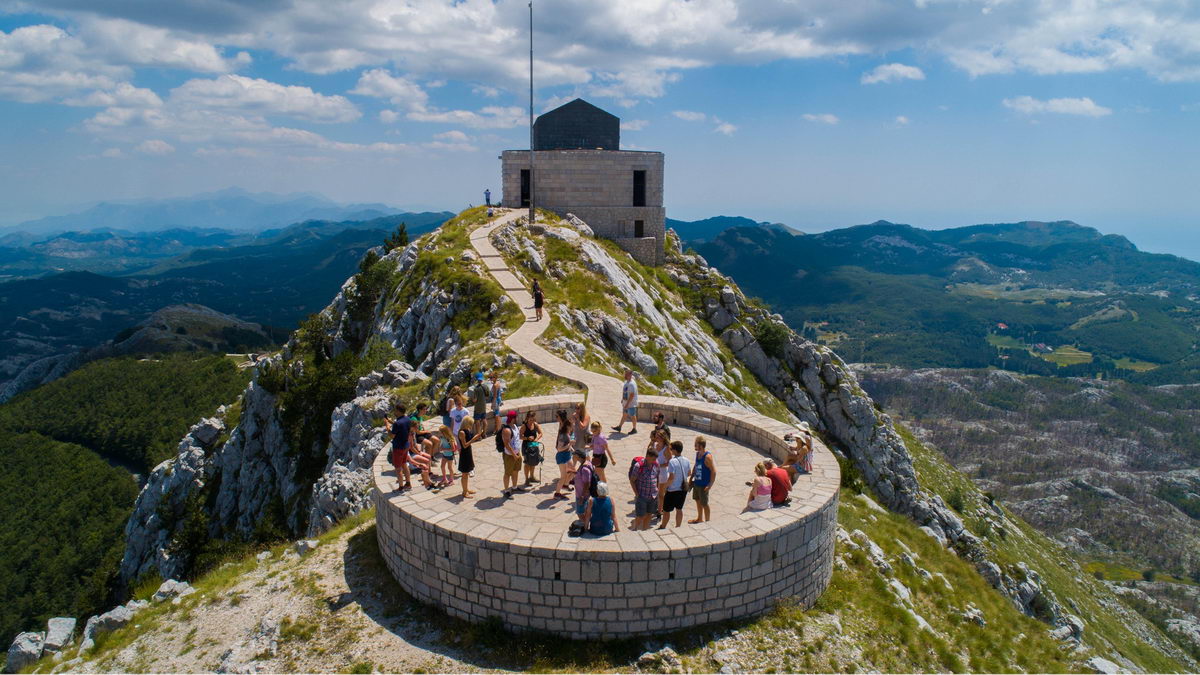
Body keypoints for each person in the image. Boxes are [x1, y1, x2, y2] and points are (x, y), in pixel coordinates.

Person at [658, 441, 691, 530]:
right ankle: (678, 526)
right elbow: (689, 473)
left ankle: (663, 526)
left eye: (671, 449)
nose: (670, 450)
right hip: (683, 489)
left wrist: (665, 487)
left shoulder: (672, 461)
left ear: (675, 450)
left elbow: (671, 478)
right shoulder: (687, 460)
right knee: (679, 509)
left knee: (666, 510)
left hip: (672, 490)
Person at [384, 402, 415, 490]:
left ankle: (401, 487)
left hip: (398, 447)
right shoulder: (408, 419)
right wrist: (391, 422)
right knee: (404, 464)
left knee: (398, 468)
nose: (394, 412)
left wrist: (387, 426)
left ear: (398, 411)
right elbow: (401, 426)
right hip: (406, 445)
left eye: (395, 410)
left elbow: (392, 435)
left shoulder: (397, 424)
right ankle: (408, 483)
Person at [689, 436, 716, 524]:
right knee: (697, 500)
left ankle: (708, 522)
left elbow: (713, 471)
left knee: (704, 503)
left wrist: (710, 485)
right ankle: (699, 518)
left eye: (696, 444)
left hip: (703, 484)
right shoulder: (698, 454)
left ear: (700, 445)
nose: (694, 445)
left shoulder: (707, 457)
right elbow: (696, 465)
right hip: (697, 482)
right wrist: (691, 478)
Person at [632, 448, 660, 530]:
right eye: (653, 459)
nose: (654, 461)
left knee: (649, 514)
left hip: (653, 496)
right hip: (642, 496)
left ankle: (645, 529)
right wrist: (636, 494)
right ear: (647, 456)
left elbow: (657, 478)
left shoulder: (656, 464)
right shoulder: (638, 466)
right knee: (640, 516)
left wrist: (657, 489)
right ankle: (635, 529)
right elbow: (632, 480)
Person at [457, 417, 481, 498]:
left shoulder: (467, 430)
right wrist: (474, 439)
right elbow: (464, 445)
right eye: (470, 423)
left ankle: (466, 489)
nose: (471, 425)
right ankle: (464, 492)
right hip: (464, 454)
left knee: (467, 473)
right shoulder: (462, 432)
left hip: (468, 452)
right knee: (464, 474)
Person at [499, 410, 522, 499]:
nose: (517, 418)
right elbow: (507, 445)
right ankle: (506, 491)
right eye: (516, 417)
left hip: (517, 453)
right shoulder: (507, 430)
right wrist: (514, 455)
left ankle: (514, 487)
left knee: (516, 471)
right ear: (513, 418)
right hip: (510, 455)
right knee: (508, 473)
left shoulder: (515, 426)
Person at [552, 409, 574, 500]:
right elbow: (559, 449)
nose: (556, 418)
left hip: (567, 454)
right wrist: (570, 444)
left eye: (557, 416)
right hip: (562, 456)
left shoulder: (565, 429)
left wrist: (571, 448)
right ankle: (557, 493)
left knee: (573, 471)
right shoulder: (563, 434)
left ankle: (565, 484)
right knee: (563, 476)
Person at [571, 448, 595, 529]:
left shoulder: (585, 469)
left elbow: (587, 483)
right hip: (581, 493)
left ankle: (586, 527)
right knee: (585, 511)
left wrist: (582, 496)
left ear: (578, 456)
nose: (573, 458)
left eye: (574, 456)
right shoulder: (586, 463)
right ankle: (586, 525)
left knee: (580, 512)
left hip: (582, 494)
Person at [650, 429, 671, 517]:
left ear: (663, 438)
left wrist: (659, 465)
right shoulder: (654, 445)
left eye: (658, 437)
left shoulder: (666, 448)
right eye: (656, 436)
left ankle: (660, 510)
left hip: (662, 473)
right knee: (654, 491)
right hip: (654, 472)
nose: (656, 438)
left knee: (661, 494)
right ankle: (656, 507)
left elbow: (669, 462)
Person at [611, 369, 638, 434]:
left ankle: (634, 429)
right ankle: (619, 427)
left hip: (631, 404)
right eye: (625, 374)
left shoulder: (631, 384)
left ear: (630, 375)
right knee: (624, 415)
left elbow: (632, 395)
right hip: (626, 402)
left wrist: (627, 404)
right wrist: (623, 400)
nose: (625, 375)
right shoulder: (626, 382)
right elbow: (625, 392)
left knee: (632, 416)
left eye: (626, 374)